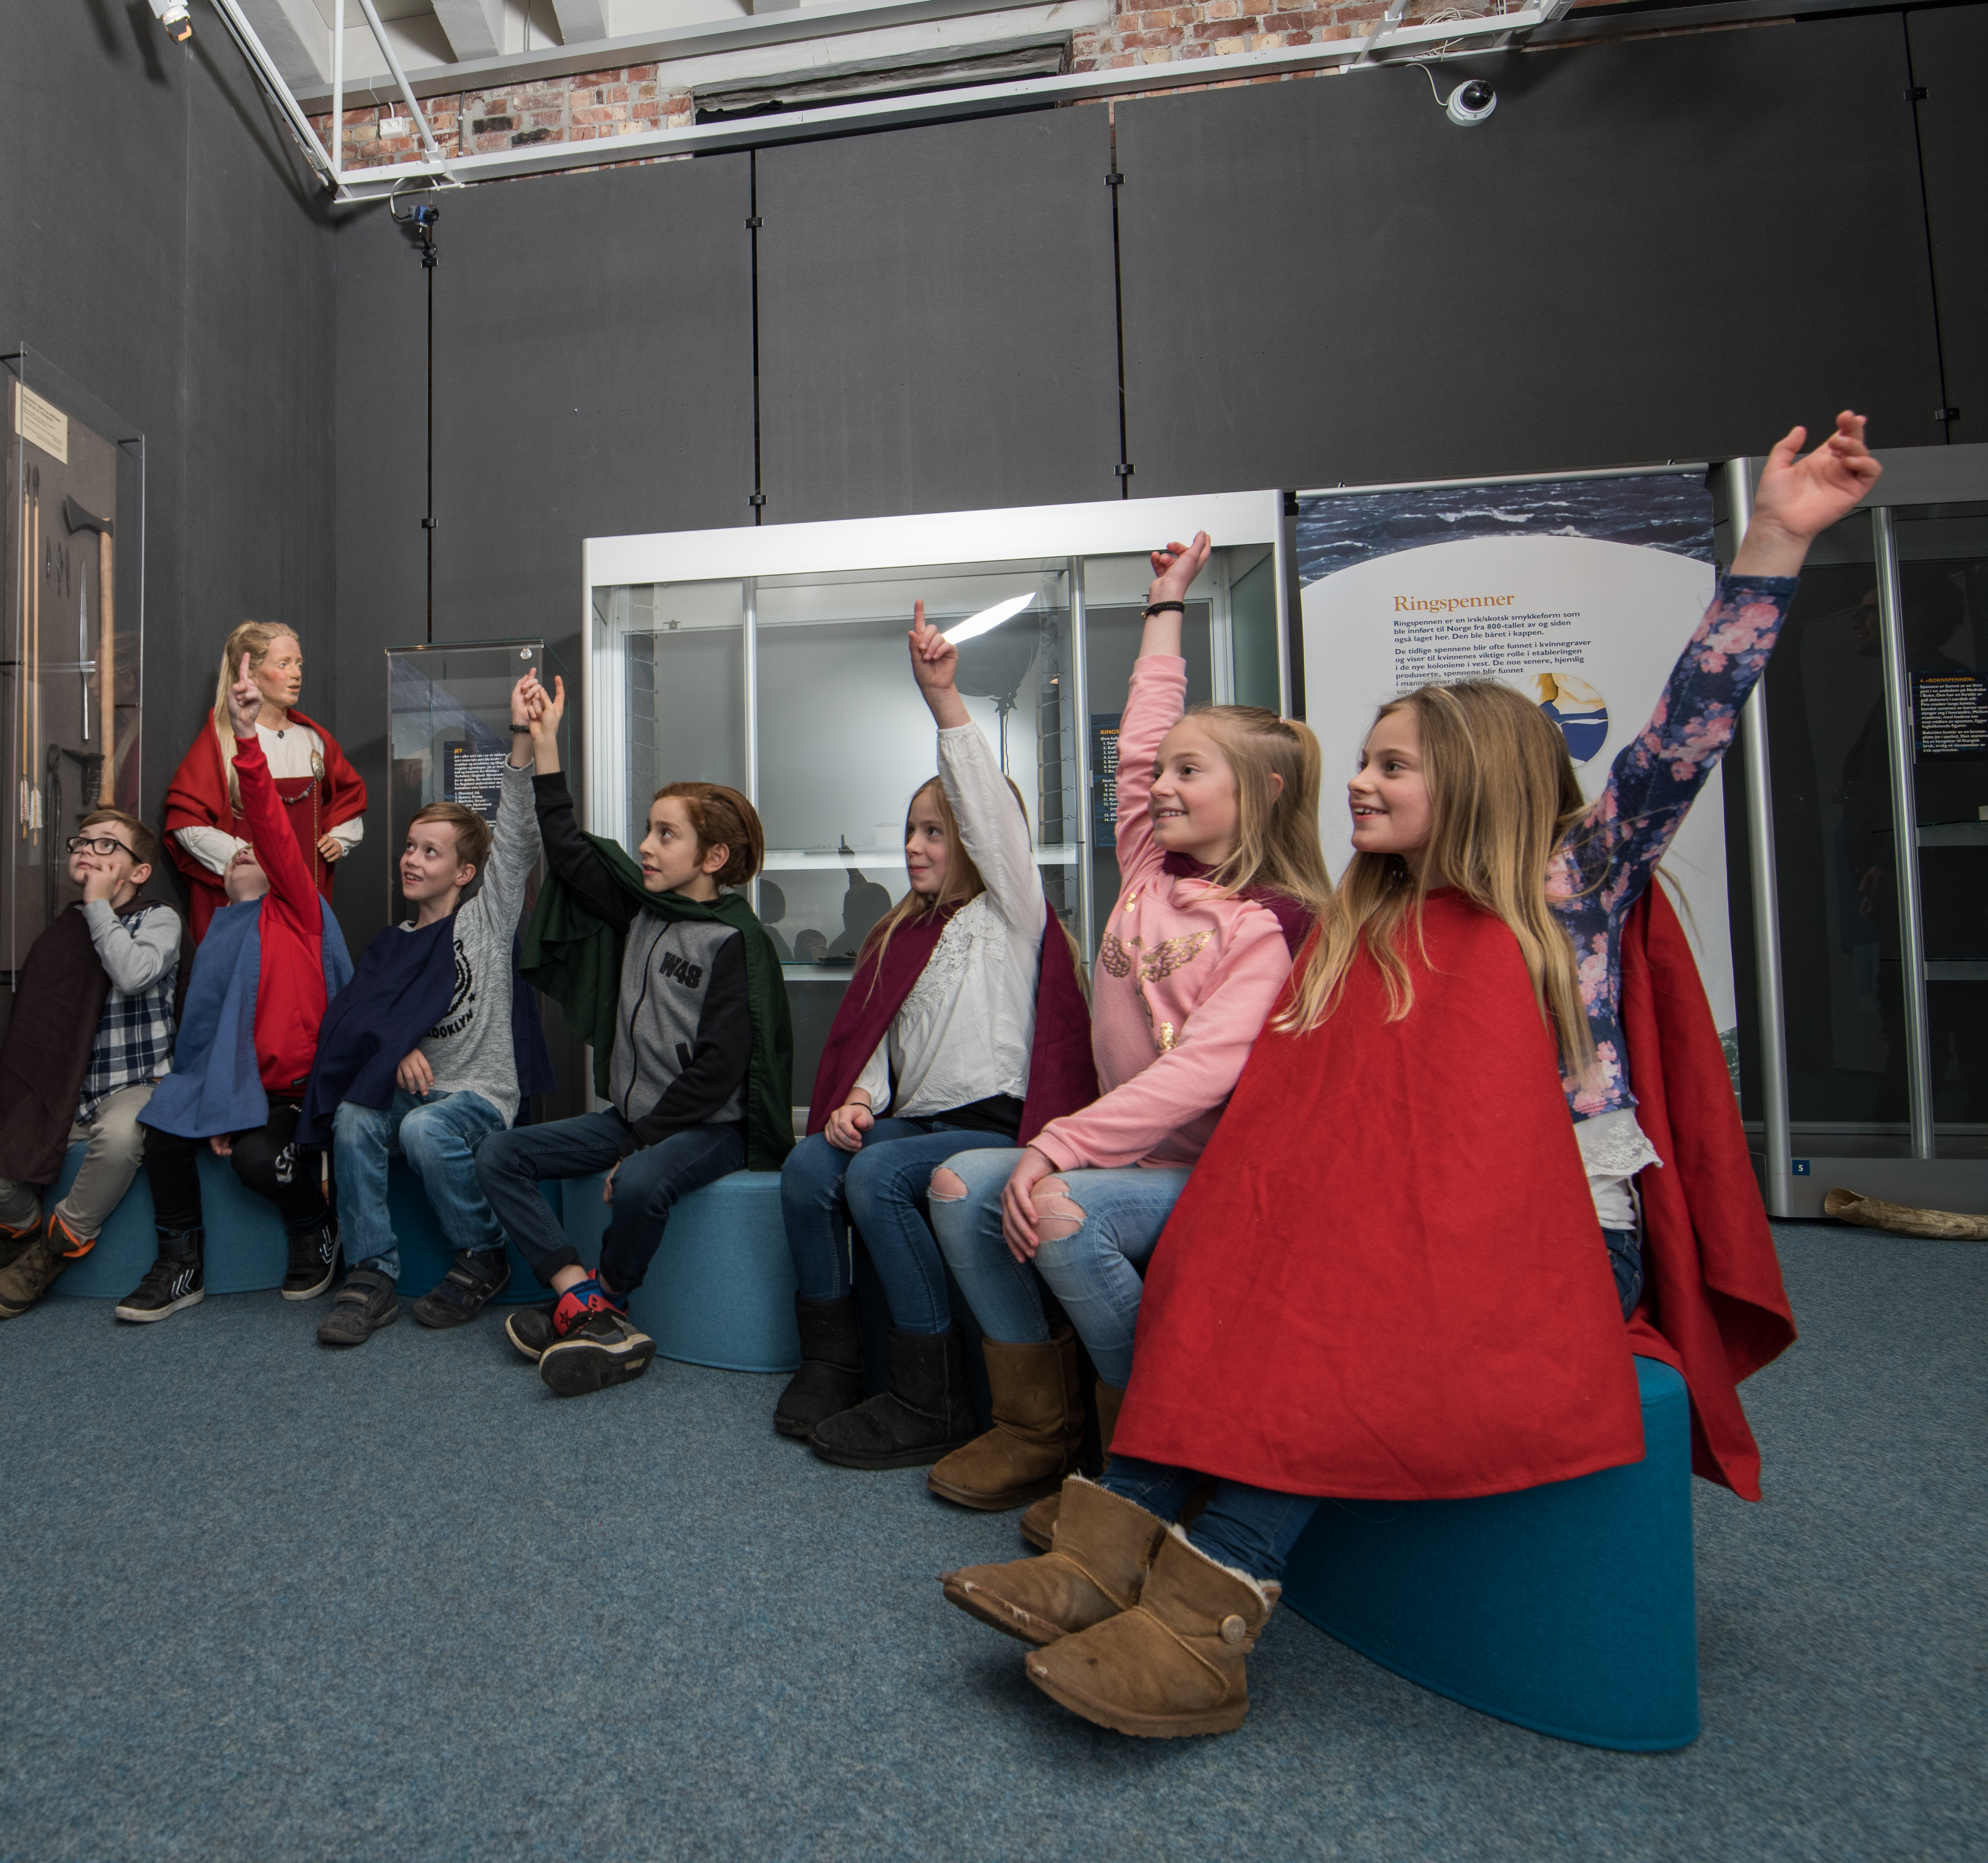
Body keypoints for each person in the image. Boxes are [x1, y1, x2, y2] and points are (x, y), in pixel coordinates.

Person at [944, 419, 1866, 1740]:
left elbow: (1686, 734)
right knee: (1224, 1244)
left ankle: (1215, 1608)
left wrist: (1776, 539)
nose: (1360, 785)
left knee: (1340, 1293)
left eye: (1389, 766)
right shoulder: (1370, 928)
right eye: (1364, 763)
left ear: (1476, 779)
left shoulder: (1571, 889)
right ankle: (1111, 1539)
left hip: (1559, 1242)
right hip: (1398, 1223)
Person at [923, 535, 1327, 1523]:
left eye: (1193, 773)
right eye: (1161, 774)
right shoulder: (1151, 869)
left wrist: (1057, 1148)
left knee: (1058, 1211)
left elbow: (1199, 1076)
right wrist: (1163, 605)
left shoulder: (1271, 922)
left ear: (1259, 794)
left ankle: (1152, 1441)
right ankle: (1040, 1427)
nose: (1159, 784)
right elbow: (1143, 736)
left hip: (1205, 1173)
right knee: (954, 1184)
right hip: (1122, 1158)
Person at [774, 603, 1054, 1474]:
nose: (914, 846)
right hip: (915, 1117)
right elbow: (881, 1047)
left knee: (884, 1175)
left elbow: (992, 821)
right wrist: (858, 1098)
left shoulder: (1011, 913)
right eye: (910, 831)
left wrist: (944, 703)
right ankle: (833, 1358)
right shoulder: (903, 932)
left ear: (976, 838)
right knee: (810, 1163)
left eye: (936, 831)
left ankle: (927, 1390)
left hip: (993, 1122)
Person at [473, 675, 794, 1397]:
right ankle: (578, 1295)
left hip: (709, 1126)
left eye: (666, 833)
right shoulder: (643, 909)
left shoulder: (736, 942)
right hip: (632, 1117)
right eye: (650, 829)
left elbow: (719, 1071)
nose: (646, 845)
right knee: (500, 1152)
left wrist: (644, 1141)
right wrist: (548, 738)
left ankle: (611, 1300)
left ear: (712, 858)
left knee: (643, 1183)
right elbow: (567, 845)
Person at [296, 673, 547, 1346]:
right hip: (420, 1088)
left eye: (430, 852)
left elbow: (517, 834)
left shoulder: (485, 923)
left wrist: (522, 736)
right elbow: (350, 1021)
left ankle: (482, 1252)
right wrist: (395, 1042)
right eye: (410, 847)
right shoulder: (393, 943)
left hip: (477, 1094)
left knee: (423, 1132)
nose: (412, 859)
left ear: (464, 873)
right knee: (354, 1114)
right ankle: (372, 1273)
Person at [118, 653, 352, 1321]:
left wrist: (246, 737)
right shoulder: (220, 929)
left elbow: (275, 830)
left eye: (256, 851)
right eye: (236, 852)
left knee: (258, 1161)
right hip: (237, 1087)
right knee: (161, 1129)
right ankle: (179, 1262)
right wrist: (218, 1102)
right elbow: (205, 1038)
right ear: (221, 876)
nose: (247, 852)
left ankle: (316, 1226)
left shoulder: (299, 909)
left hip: (294, 1092)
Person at [0, 808, 180, 1316]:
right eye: (82, 842)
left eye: (105, 846)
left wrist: (97, 905)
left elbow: (134, 973)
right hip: (62, 1090)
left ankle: (59, 1244)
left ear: (138, 871)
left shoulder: (158, 918)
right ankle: (24, 1229)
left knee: (120, 1139)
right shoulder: (61, 930)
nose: (86, 850)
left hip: (135, 1083)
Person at [160, 621, 367, 942]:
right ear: (252, 673)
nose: (297, 674)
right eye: (283, 665)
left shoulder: (315, 739)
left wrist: (341, 837)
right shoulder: (222, 741)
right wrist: (243, 859)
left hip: (305, 899)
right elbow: (187, 821)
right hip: (246, 905)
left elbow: (349, 797)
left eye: (299, 664)